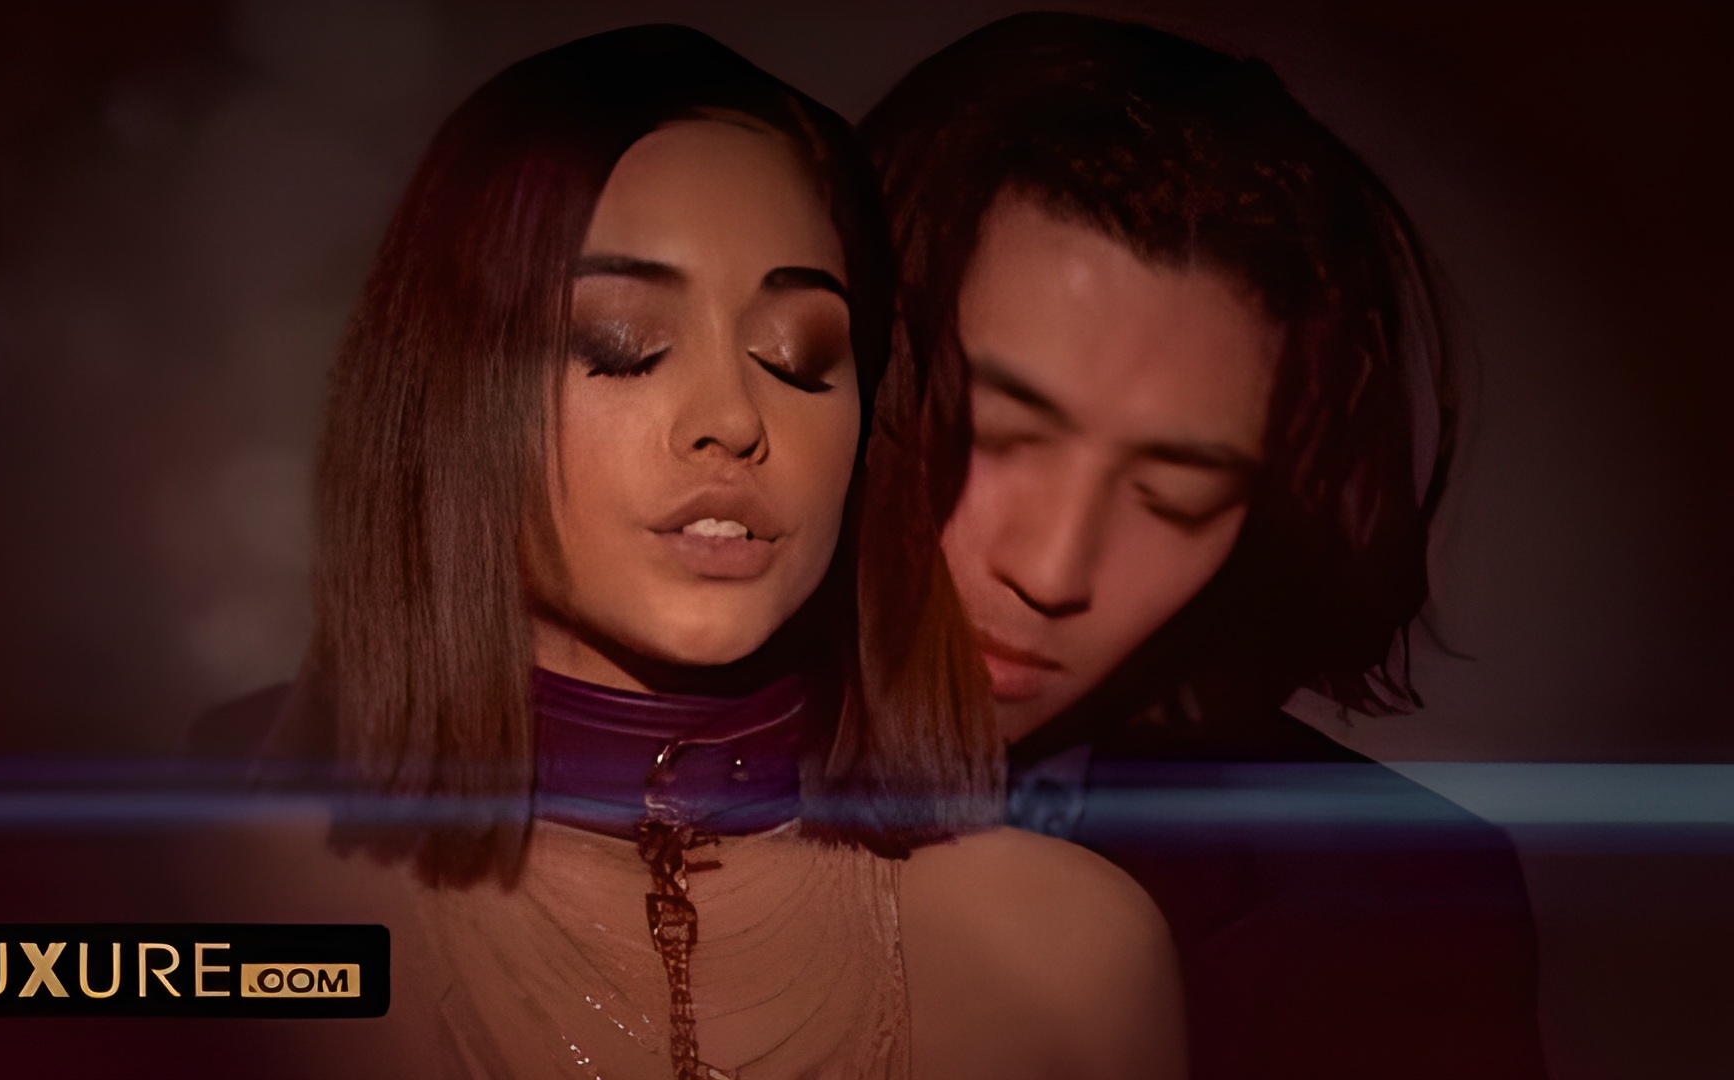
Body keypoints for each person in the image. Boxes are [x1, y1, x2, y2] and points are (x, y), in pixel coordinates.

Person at [197, 24, 1182, 1079]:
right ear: (449, 394)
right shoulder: (237, 921)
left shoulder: (1066, 957)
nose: (733, 420)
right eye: (625, 345)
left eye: (798, 358)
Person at [860, 13, 1544, 1079]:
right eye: (993, 434)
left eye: (1175, 497)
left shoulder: (1404, 905)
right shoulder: (587, 790)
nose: (1051, 570)